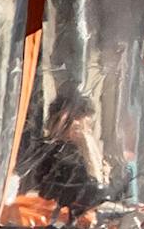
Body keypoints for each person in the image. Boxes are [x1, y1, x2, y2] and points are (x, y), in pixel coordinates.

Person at [21, 87, 111, 217]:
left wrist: (89, 148)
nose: (80, 132)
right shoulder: (39, 153)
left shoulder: (83, 156)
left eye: (87, 128)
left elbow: (99, 193)